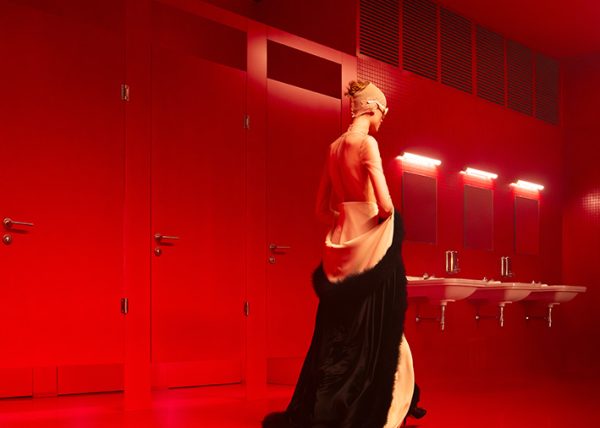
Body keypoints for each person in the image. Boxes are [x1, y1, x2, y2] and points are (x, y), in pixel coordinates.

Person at [263, 81, 424, 428]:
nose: (383, 119)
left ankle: (330, 401)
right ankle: (376, 402)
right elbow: (385, 206)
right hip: (370, 240)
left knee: (340, 325)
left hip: (341, 239)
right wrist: (376, 219)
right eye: (382, 112)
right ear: (372, 108)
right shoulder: (367, 144)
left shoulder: (334, 147)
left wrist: (346, 218)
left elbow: (321, 209)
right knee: (377, 325)